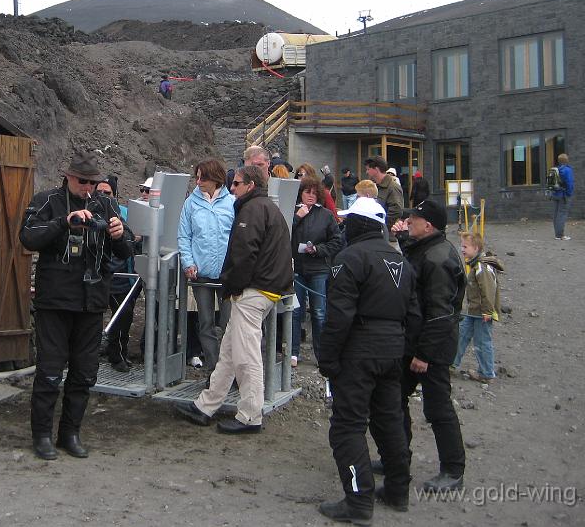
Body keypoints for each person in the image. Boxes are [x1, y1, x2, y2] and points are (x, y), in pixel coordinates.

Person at [19, 151, 133, 460]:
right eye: (83, 181)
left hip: (92, 301)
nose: (88, 188)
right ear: (68, 177)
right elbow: (27, 237)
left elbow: (127, 248)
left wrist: (121, 234)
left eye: (93, 182)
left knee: (84, 373)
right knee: (50, 371)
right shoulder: (47, 200)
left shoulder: (104, 203)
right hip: (55, 302)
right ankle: (41, 434)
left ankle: (70, 432)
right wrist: (64, 222)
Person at [317, 197, 419, 523]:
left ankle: (359, 501)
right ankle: (398, 490)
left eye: (349, 221)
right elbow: (414, 314)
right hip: (392, 350)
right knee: (389, 420)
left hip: (359, 351)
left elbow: (339, 316)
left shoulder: (349, 258)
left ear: (360, 224)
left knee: (347, 426)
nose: (344, 226)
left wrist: (328, 359)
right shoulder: (400, 260)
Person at [175, 165, 294, 433]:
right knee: (229, 350)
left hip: (253, 290)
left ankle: (250, 416)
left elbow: (244, 254)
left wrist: (233, 287)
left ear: (250, 185)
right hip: (264, 289)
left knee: (246, 355)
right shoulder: (266, 208)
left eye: (237, 184)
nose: (232, 188)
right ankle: (206, 405)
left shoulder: (250, 211)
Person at [391, 199, 467, 493]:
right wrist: (402, 239)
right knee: (394, 399)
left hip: (431, 348)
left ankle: (453, 469)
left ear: (429, 225)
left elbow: (441, 312)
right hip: (412, 341)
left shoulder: (438, 259)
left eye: (414, 219)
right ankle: (397, 458)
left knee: (438, 408)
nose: (409, 222)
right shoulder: (424, 248)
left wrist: (424, 354)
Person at [178, 158, 236, 375]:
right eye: (197, 177)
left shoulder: (231, 203)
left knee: (229, 323)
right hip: (201, 274)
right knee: (205, 322)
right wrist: (188, 262)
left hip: (227, 274)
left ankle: (230, 368)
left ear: (215, 179)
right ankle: (214, 368)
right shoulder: (190, 204)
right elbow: (184, 235)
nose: (199, 181)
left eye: (203, 177)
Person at [290, 177, 343, 367]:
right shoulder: (293, 211)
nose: (310, 196)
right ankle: (293, 352)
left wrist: (318, 250)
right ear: (301, 193)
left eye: (314, 193)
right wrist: (297, 218)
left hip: (319, 268)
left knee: (319, 312)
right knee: (295, 312)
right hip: (297, 268)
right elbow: (283, 233)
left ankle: (321, 354)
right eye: (307, 192)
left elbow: (337, 241)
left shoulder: (326, 215)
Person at [98, 178, 140, 373]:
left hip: (121, 276)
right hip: (97, 277)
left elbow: (130, 239)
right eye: (100, 191)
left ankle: (118, 354)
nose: (103, 196)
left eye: (108, 193)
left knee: (123, 319)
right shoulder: (87, 212)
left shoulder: (124, 214)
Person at [453, 231, 503, 383]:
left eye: (465, 246)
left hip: (481, 313)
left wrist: (488, 311)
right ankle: (450, 363)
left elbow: (488, 290)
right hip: (473, 311)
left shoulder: (482, 268)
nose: (462, 249)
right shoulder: (478, 266)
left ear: (475, 248)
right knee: (461, 335)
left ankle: (487, 373)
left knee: (482, 342)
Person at [364, 156, 404, 250]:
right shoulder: (373, 186)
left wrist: (381, 226)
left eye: (368, 169)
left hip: (385, 237)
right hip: (373, 233)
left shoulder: (393, 187)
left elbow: (396, 210)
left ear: (376, 169)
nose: (366, 172)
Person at [551, 153, 575, 240]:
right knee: (562, 215)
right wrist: (569, 193)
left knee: (556, 214)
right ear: (566, 160)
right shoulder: (567, 170)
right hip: (563, 195)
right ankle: (560, 235)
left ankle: (557, 234)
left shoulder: (556, 169)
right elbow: (569, 183)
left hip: (555, 194)